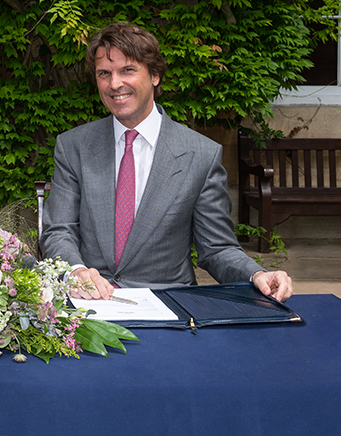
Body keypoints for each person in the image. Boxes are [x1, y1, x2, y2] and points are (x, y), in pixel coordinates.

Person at [40, 23, 292, 302]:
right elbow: (58, 230)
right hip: (89, 306)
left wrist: (256, 274)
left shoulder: (201, 154)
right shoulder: (73, 147)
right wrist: (75, 271)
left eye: (127, 70)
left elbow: (217, 248)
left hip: (170, 308)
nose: (114, 84)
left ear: (155, 75)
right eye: (104, 74)